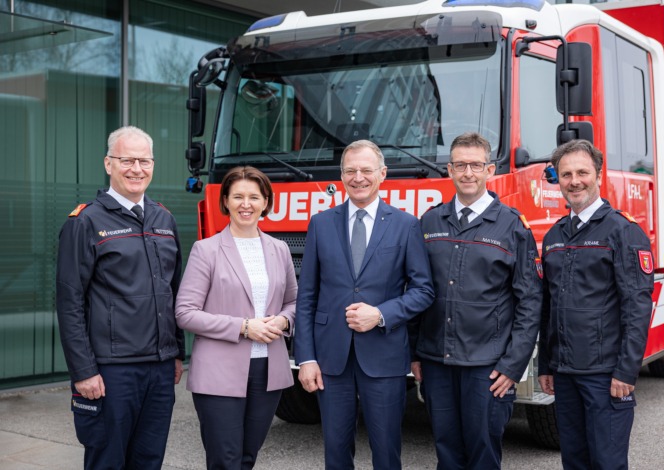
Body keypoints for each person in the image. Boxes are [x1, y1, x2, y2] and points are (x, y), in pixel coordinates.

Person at [294, 139, 434, 470]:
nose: (359, 177)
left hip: (383, 357)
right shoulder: (321, 223)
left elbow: (424, 290)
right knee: (336, 452)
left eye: (366, 170)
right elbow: (307, 295)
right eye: (350, 170)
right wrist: (306, 358)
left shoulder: (405, 224)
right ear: (341, 175)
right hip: (331, 359)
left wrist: (381, 314)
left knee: (387, 452)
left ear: (382, 174)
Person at [409, 132, 543, 469]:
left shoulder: (512, 227)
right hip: (437, 360)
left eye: (476, 165)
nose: (468, 172)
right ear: (450, 170)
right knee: (446, 449)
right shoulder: (430, 222)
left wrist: (514, 366)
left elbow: (529, 301)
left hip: (488, 365)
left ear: (490, 170)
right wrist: (414, 353)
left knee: (483, 450)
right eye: (460, 165)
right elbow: (415, 291)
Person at [55, 125, 184, 469]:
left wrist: (176, 352)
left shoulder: (164, 219)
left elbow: (173, 291)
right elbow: (70, 304)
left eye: (144, 161)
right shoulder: (85, 222)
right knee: (107, 461)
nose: (136, 169)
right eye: (127, 160)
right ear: (108, 164)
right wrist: (83, 371)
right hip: (111, 371)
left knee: (149, 459)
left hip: (158, 369)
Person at [538, 139, 654, 470]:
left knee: (607, 462)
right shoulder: (555, 235)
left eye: (582, 172)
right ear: (557, 179)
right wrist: (546, 365)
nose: (575, 181)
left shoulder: (623, 231)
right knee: (574, 460)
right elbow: (549, 307)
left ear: (598, 175)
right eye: (566, 174)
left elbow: (636, 306)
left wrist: (626, 371)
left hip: (605, 375)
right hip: (565, 373)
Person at [175, 166, 297, 469]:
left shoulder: (279, 249)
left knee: (246, 457)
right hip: (219, 372)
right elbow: (185, 313)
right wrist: (243, 327)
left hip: (268, 370)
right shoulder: (207, 250)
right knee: (225, 460)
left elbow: (295, 302)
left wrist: (283, 321)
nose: (246, 204)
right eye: (238, 196)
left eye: (254, 197)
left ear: (266, 202)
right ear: (225, 201)